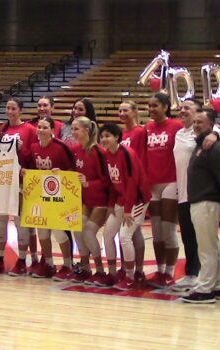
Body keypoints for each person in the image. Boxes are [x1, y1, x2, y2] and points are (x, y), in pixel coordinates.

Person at [172, 101, 220, 293]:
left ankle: (205, 287)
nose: (184, 110)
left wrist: (215, 133)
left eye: (189, 108)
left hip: (204, 198)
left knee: (205, 246)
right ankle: (215, 284)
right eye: (194, 122)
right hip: (186, 194)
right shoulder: (184, 135)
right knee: (201, 242)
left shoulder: (211, 141)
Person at [0, 98, 40, 275]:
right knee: (0, 221)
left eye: (13, 108)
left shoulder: (30, 130)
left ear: (20, 110)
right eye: (7, 108)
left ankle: (22, 260)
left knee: (20, 222)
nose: (9, 111)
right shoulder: (2, 130)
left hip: (20, 181)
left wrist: (22, 149)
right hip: (3, 180)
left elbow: (33, 156)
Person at [98, 123, 151, 291]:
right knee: (107, 235)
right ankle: (113, 273)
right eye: (102, 136)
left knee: (125, 236)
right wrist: (111, 205)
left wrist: (128, 210)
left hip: (137, 200)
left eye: (107, 136)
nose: (104, 139)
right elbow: (112, 183)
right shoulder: (107, 155)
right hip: (121, 199)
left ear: (116, 137)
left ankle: (130, 276)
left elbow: (131, 183)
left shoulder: (127, 154)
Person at [24, 116, 76, 279]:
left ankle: (68, 265)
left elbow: (72, 171)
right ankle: (48, 264)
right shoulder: (33, 147)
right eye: (39, 127)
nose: (41, 130)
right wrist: (24, 171)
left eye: (45, 127)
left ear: (53, 130)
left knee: (60, 232)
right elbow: (31, 169)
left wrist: (62, 172)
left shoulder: (61, 147)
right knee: (43, 232)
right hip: (40, 196)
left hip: (60, 195)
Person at [67, 116, 113, 286]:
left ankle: (100, 270)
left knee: (88, 231)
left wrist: (87, 182)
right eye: (72, 129)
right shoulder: (75, 150)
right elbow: (71, 172)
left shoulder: (98, 152)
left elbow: (106, 180)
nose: (73, 132)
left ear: (86, 130)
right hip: (86, 200)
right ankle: (85, 268)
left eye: (76, 129)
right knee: (77, 229)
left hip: (101, 200)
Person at [144, 93, 182, 289]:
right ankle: (159, 270)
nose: (151, 109)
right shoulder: (147, 128)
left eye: (155, 105)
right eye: (149, 106)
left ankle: (169, 271)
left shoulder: (176, 126)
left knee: (168, 230)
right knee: (157, 231)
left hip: (171, 182)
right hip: (153, 184)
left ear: (166, 107)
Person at [116, 100, 147, 280]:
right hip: (122, 189)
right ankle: (126, 267)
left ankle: (139, 271)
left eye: (125, 110)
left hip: (136, 188)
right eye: (120, 110)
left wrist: (135, 187)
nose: (122, 113)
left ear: (134, 112)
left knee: (133, 231)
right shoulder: (119, 133)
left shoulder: (140, 132)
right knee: (127, 231)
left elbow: (141, 160)